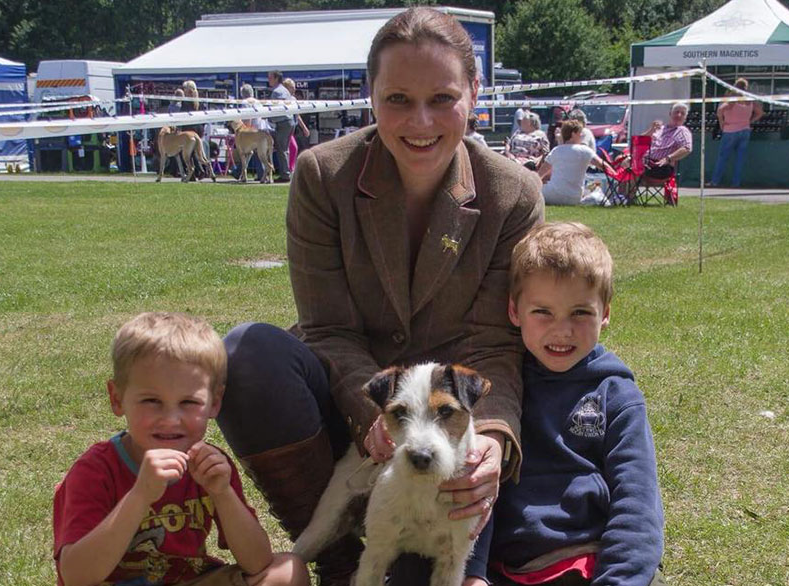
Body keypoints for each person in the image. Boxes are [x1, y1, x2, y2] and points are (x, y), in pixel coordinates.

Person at [216, 7, 544, 586]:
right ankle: (335, 558)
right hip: (357, 403)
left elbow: (497, 343)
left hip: (448, 433)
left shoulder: (514, 195)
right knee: (247, 354)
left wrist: (489, 437)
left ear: (475, 92)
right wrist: (375, 415)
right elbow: (326, 327)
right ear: (370, 96)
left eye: (443, 98)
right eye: (397, 99)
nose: (420, 121)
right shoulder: (321, 174)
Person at [466, 222, 665, 586]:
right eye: (542, 312)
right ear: (514, 311)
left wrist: (618, 580)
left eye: (580, 313)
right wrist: (472, 572)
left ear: (605, 312)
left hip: (582, 562)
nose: (562, 331)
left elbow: (637, 505)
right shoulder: (501, 389)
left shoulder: (617, 396)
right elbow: (477, 485)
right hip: (501, 567)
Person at [53, 312, 310, 586]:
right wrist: (140, 495)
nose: (171, 419)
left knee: (287, 570)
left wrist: (223, 494)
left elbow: (257, 561)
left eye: (188, 402)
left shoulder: (210, 467)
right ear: (117, 399)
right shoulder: (96, 470)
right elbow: (76, 576)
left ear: (214, 402)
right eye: (152, 400)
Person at [538, 120, 614, 205]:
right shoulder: (585, 151)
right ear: (573, 134)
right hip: (573, 198)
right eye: (580, 133)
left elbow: (540, 174)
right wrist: (616, 175)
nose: (582, 136)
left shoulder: (556, 151)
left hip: (551, 196)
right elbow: (603, 166)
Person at [710, 78, 763, 187]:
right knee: (740, 159)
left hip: (730, 130)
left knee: (723, 157)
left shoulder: (732, 100)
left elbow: (720, 110)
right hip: (745, 130)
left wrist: (721, 122)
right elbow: (760, 113)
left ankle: (715, 181)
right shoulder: (749, 100)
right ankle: (736, 183)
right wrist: (750, 121)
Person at [641, 102, 692, 179]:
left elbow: (687, 148)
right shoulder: (660, 128)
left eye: (682, 113)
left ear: (685, 117)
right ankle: (625, 190)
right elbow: (638, 141)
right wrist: (651, 130)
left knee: (628, 167)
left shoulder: (682, 131)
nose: (679, 115)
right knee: (623, 160)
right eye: (676, 112)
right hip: (644, 161)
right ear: (670, 113)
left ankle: (624, 190)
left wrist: (668, 158)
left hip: (660, 166)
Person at [267, 70, 296, 183]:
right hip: (289, 122)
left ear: (276, 78)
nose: (268, 80)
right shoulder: (285, 91)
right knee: (285, 149)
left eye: (270, 77)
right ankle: (287, 172)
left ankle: (285, 175)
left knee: (281, 149)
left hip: (283, 123)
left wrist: (269, 118)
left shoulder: (277, 92)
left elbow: (277, 110)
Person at [282, 78, 311, 173]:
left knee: (293, 148)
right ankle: (290, 169)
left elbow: (297, 115)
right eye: (292, 88)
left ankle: (291, 168)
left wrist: (304, 128)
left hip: (292, 128)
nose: (294, 90)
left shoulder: (293, 99)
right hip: (284, 128)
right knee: (293, 148)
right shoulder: (283, 99)